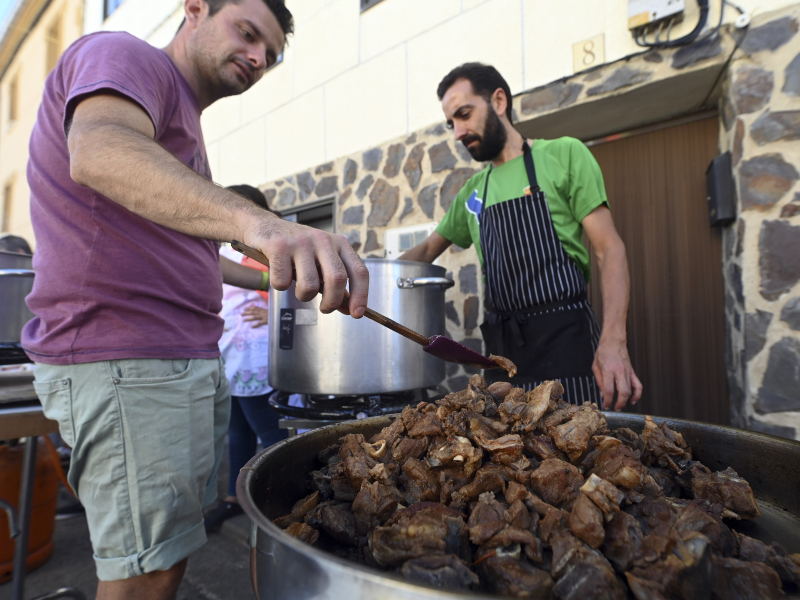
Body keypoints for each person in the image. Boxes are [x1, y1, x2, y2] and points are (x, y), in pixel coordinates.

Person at [22, 1, 369, 599]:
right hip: (129, 362)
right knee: (145, 574)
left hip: (170, 361)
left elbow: (193, 258)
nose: (259, 58)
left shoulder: (180, 119)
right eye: (247, 32)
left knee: (166, 559)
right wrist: (262, 225)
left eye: (271, 54)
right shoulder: (125, 55)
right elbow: (99, 149)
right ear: (194, 9)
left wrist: (279, 274)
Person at [400, 63, 642, 412]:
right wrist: (359, 270)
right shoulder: (473, 192)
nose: (457, 132)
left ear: (498, 101)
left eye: (464, 115)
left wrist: (614, 341)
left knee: (578, 450)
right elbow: (425, 249)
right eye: (451, 123)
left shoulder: (563, 154)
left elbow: (610, 249)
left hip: (567, 344)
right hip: (505, 356)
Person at [204, 184, 286, 532]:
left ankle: (284, 500)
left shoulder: (270, 251)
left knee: (269, 432)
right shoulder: (224, 252)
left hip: (256, 360)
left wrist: (271, 314)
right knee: (236, 431)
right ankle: (235, 498)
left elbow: (298, 296)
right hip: (229, 357)